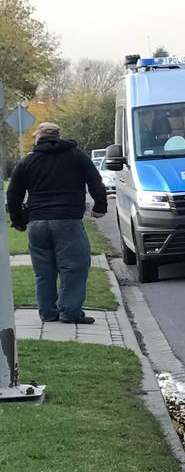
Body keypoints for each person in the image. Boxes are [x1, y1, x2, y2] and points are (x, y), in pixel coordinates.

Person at [5, 122, 109, 324]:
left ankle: (48, 312)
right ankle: (70, 312)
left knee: (43, 271)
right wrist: (100, 207)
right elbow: (95, 181)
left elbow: (14, 193)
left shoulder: (28, 161)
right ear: (58, 136)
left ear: (39, 137)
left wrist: (18, 221)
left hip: (37, 222)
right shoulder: (76, 156)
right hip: (68, 220)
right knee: (74, 267)